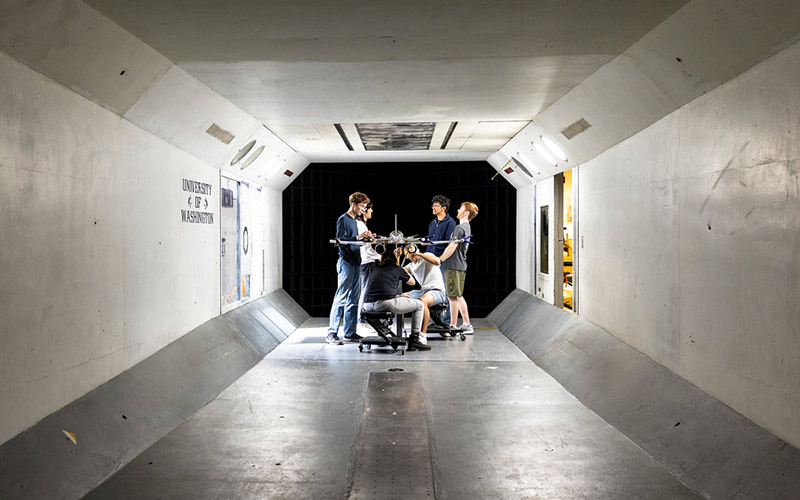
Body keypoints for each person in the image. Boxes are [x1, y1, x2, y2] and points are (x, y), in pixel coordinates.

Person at [362, 248, 431, 351]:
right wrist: (405, 271)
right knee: (420, 305)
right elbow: (412, 282)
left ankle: (383, 329)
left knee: (389, 304)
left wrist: (397, 296)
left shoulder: (375, 269)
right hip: (384, 303)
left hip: (367, 305)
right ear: (394, 261)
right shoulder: (397, 268)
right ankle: (415, 340)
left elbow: (381, 290)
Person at [326, 192, 372, 345]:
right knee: (341, 298)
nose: (363, 210)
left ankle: (350, 332)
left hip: (356, 261)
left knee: (354, 299)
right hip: (346, 262)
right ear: (353, 204)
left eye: (365, 207)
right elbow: (340, 240)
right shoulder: (343, 219)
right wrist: (358, 238)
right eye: (361, 206)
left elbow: (354, 241)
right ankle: (331, 333)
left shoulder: (355, 221)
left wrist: (365, 238)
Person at [439, 201, 479, 335]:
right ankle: (467, 324)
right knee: (458, 295)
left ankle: (453, 326)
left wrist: (439, 259)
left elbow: (452, 247)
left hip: (453, 265)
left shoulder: (459, 229)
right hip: (460, 265)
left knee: (452, 297)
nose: (457, 210)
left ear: (466, 213)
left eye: (460, 209)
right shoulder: (466, 227)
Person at [402, 244, 447, 341]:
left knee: (422, 302)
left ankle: (422, 334)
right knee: (400, 299)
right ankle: (401, 331)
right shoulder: (410, 266)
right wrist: (397, 257)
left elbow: (437, 261)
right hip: (423, 291)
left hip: (437, 291)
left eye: (411, 248)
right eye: (407, 250)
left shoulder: (426, 256)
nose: (410, 250)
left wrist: (419, 254)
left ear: (417, 249)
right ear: (406, 255)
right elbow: (397, 272)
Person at [427, 195, 456, 323]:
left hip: (442, 262)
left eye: (436, 206)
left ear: (443, 208)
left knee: (445, 291)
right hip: (431, 262)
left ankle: (445, 321)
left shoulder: (451, 223)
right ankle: (436, 320)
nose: (433, 207)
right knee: (434, 291)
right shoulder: (432, 223)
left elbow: (450, 244)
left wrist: (440, 259)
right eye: (433, 205)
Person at [356, 202, 381, 326]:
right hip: (366, 262)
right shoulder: (361, 225)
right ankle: (361, 318)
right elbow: (365, 249)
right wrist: (379, 256)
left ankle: (362, 317)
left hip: (365, 262)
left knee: (365, 290)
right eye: (370, 209)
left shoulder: (362, 225)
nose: (372, 212)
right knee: (365, 291)